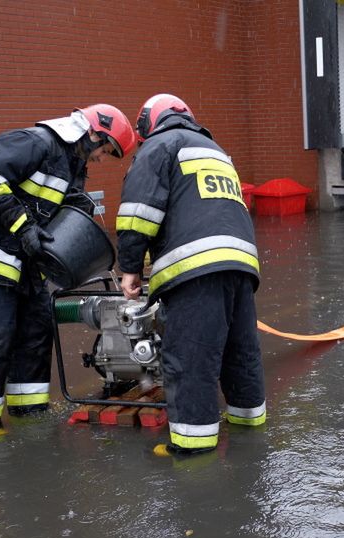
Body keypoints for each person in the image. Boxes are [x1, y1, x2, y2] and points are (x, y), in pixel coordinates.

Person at [0, 104, 137, 437]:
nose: (100, 158)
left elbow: (65, 203)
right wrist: (22, 226)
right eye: (103, 150)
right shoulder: (34, 142)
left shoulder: (73, 162)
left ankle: (29, 411)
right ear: (92, 132)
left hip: (29, 260)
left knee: (37, 332)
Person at [116, 94, 265, 455]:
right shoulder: (216, 151)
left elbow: (138, 214)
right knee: (239, 350)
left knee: (191, 358)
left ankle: (192, 450)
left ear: (148, 125)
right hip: (241, 265)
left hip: (195, 269)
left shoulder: (159, 147)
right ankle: (248, 426)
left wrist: (131, 268)